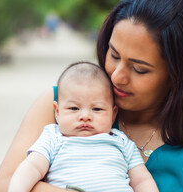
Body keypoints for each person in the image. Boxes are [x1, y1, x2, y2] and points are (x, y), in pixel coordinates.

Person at [0, 0, 183, 192]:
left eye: (139, 69)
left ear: (178, 76)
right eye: (114, 55)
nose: (117, 76)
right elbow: (4, 185)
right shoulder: (65, 105)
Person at [8, 62, 158, 192]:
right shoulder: (53, 138)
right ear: (57, 112)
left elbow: (142, 180)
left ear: (113, 114)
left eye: (97, 109)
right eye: (74, 108)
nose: (85, 116)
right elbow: (32, 167)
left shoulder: (122, 142)